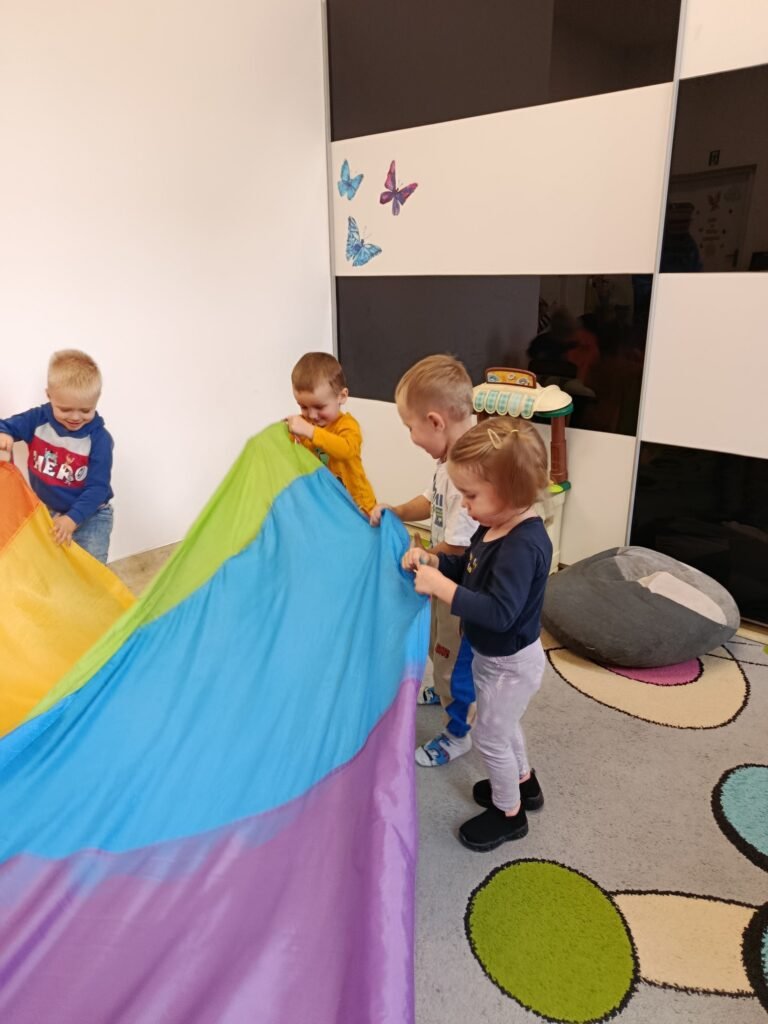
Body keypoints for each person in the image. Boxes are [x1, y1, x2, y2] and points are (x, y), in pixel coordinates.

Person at [402, 418, 552, 851]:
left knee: (489, 735)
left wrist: (442, 589)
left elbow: (499, 612)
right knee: (503, 724)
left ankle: (509, 814)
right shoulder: (495, 525)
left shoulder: (523, 545)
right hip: (494, 659)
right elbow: (470, 568)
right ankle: (525, 783)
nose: (465, 506)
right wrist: (436, 563)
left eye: (471, 496)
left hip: (510, 665)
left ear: (511, 493)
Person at [370, 354, 478, 766]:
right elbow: (431, 502)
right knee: (437, 644)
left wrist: (423, 557)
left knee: (453, 659)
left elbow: (458, 548)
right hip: (440, 581)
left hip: (458, 588)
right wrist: (398, 510)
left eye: (409, 427)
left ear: (435, 422)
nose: (410, 436)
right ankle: (444, 689)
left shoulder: (467, 471)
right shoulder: (447, 460)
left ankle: (458, 731)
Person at [0, 349, 115, 563]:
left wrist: (72, 519)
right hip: (49, 511)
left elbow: (98, 489)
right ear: (49, 396)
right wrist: (5, 434)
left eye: (86, 410)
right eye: (65, 409)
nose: (75, 417)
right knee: (53, 563)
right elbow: (6, 425)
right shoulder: (37, 419)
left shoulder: (99, 440)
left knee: (89, 566)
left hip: (92, 516)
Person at [287, 352, 376, 514]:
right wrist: (288, 433)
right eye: (303, 407)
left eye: (319, 407)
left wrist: (310, 432)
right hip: (326, 503)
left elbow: (346, 450)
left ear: (342, 396)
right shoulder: (306, 424)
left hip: (357, 505)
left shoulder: (347, 425)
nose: (312, 415)